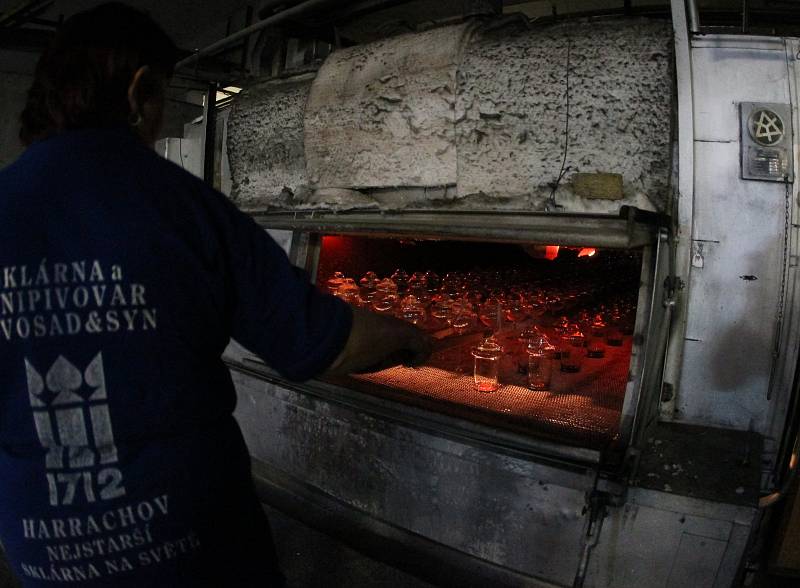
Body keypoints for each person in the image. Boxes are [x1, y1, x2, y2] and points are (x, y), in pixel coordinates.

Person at [0, 3, 432, 587]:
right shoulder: (179, 205)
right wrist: (409, 335)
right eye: (162, 99)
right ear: (137, 91)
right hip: (187, 546)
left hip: (43, 550)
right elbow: (320, 345)